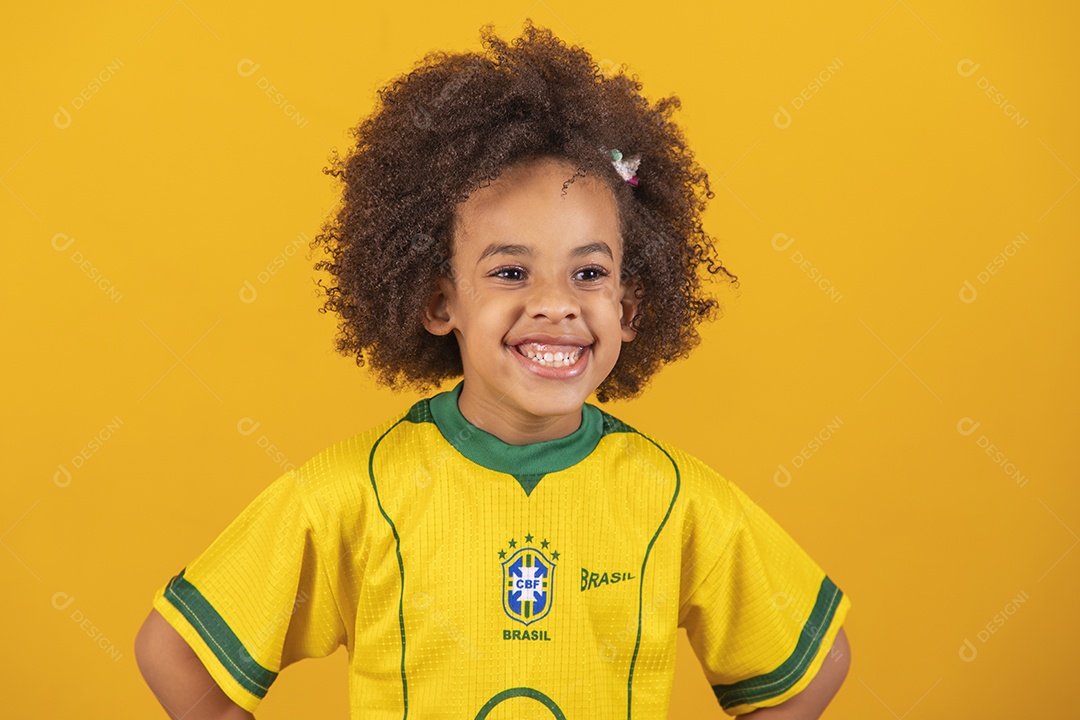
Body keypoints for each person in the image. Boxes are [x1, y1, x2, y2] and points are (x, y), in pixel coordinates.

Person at [135, 19, 851, 719]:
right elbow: (173, 649)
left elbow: (817, 664)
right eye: (511, 270)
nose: (555, 306)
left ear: (629, 307)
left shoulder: (674, 501)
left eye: (589, 273)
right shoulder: (357, 495)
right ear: (439, 299)